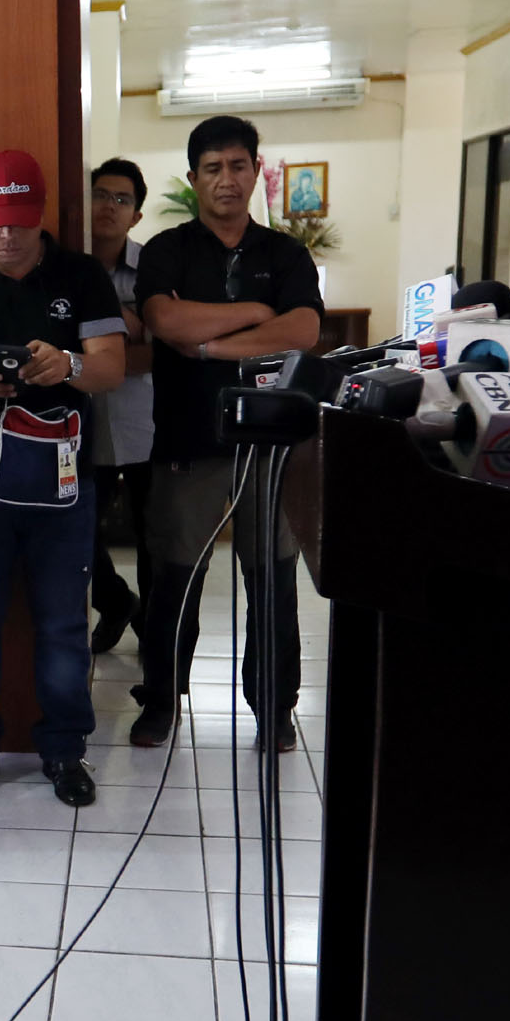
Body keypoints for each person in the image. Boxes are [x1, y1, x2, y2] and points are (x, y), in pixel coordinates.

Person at [0, 148, 124, 808]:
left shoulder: (82, 276)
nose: (5, 237)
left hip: (64, 485)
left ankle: (64, 750)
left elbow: (110, 369)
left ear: (39, 217)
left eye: (18, 222)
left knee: (65, 624)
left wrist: (63, 365)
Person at [131, 114, 321, 751]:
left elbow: (303, 332)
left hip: (275, 448)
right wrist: (254, 313)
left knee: (272, 582)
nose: (226, 179)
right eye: (212, 168)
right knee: (174, 581)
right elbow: (166, 319)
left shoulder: (286, 253)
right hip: (190, 441)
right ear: (193, 179)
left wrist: (212, 347)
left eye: (238, 166)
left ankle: (273, 708)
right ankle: (161, 700)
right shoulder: (168, 250)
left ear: (256, 172)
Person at [86, 157, 159, 653]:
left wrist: (101, 349)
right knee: (79, 539)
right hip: (83, 424)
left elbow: (162, 352)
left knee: (154, 540)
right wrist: (126, 327)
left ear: (135, 215)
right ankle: (115, 601)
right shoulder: (67, 267)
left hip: (144, 424)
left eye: (122, 199)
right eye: (101, 194)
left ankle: (155, 639)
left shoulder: (153, 269)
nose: (109, 207)